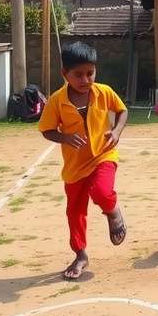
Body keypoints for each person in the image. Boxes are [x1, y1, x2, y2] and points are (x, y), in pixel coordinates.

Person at [38, 41, 128, 280]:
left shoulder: (104, 92)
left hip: (103, 155)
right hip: (75, 166)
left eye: (90, 73)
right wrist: (64, 137)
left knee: (101, 191)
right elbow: (46, 130)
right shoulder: (57, 100)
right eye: (78, 75)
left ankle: (112, 210)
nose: (85, 79)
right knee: (75, 212)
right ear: (64, 73)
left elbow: (122, 111)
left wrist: (116, 131)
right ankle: (80, 255)